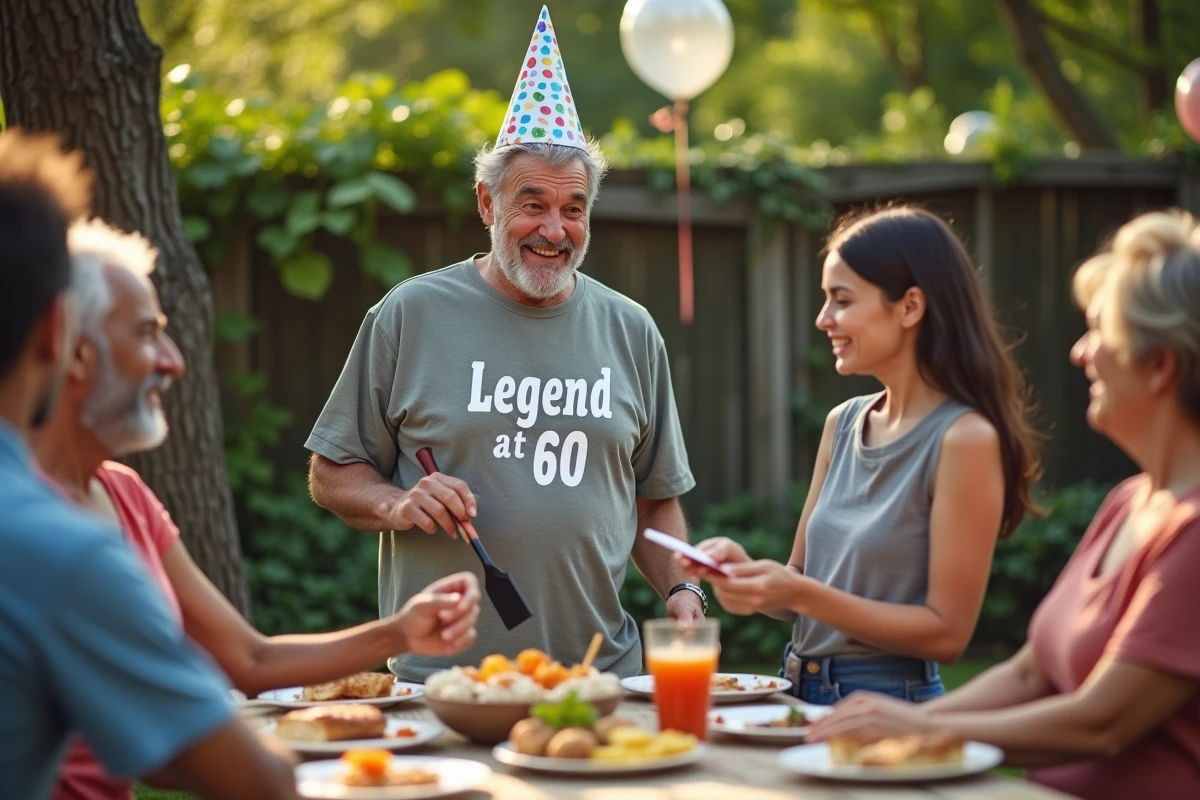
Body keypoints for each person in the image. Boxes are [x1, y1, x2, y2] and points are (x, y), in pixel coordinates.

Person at [305, 7, 702, 683]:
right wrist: (396, 504)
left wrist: (683, 591)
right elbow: (331, 472)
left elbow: (654, 500)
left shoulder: (631, 329)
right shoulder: (410, 315)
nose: (555, 228)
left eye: (573, 207)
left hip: (599, 676)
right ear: (488, 205)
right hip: (445, 684)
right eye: (532, 203)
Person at [33, 218, 483, 800]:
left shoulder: (122, 494)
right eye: (147, 334)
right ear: (70, 349)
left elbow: (248, 656)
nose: (173, 361)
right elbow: (192, 745)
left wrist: (400, 631)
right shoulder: (30, 522)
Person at [808, 209, 1200, 800]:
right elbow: (1030, 671)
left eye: (1099, 329)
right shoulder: (1129, 503)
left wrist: (920, 724)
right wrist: (900, 733)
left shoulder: (1192, 532)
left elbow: (1102, 722)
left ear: (1160, 365)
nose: (1079, 352)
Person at [0, 128, 297, 799]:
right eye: (145, 332)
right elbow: (258, 784)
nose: (173, 361)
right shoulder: (63, 551)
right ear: (59, 332)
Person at [682, 206, 1041, 704]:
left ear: (910, 307)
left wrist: (799, 594)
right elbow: (803, 586)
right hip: (795, 689)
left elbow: (948, 634)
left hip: (889, 704)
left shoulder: (964, 439)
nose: (823, 318)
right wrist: (750, 573)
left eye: (841, 300)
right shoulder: (843, 423)